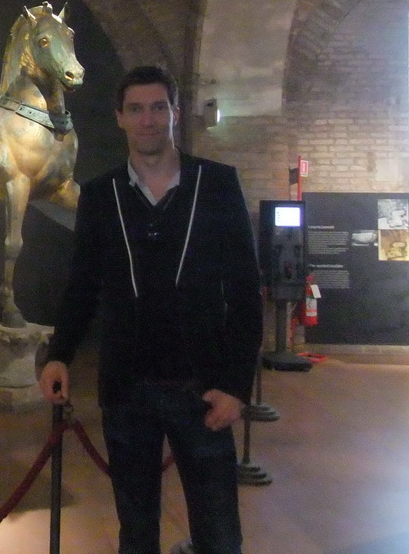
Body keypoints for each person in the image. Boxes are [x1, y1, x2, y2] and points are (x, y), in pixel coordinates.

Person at [39, 65, 262, 554]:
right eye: (136, 109)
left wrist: (236, 386)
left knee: (219, 534)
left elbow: (246, 293)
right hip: (128, 391)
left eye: (158, 107)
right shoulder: (101, 195)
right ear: (119, 118)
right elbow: (83, 284)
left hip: (203, 391)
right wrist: (60, 353)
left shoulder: (217, 185)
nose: (148, 120)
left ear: (174, 114)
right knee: (137, 531)